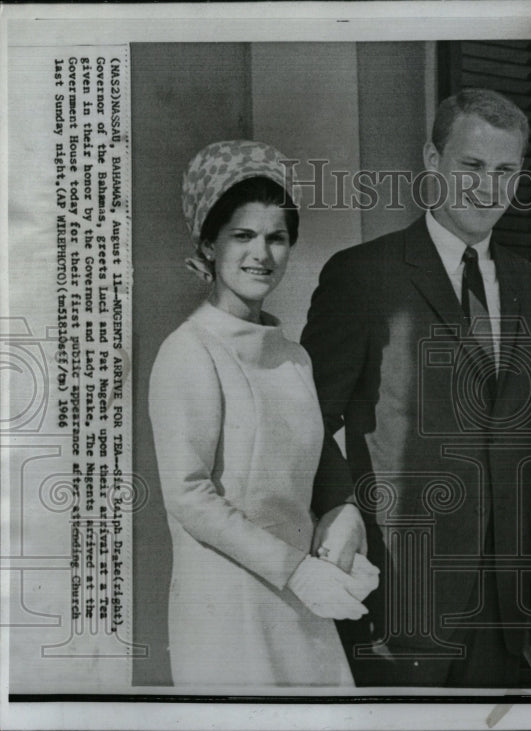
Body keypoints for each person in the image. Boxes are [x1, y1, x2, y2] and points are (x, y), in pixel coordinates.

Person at [301, 89, 531, 687]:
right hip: (401, 596)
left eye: (506, 171)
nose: (488, 187)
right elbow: (306, 423)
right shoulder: (363, 277)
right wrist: (339, 508)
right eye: (471, 167)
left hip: (511, 612)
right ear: (433, 161)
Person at [149, 140, 377, 686]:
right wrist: (295, 570)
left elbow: (314, 453)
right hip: (228, 610)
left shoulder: (292, 354)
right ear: (208, 243)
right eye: (243, 236)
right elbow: (189, 495)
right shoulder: (189, 350)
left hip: (302, 602)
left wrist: (344, 509)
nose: (262, 255)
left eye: (277, 238)